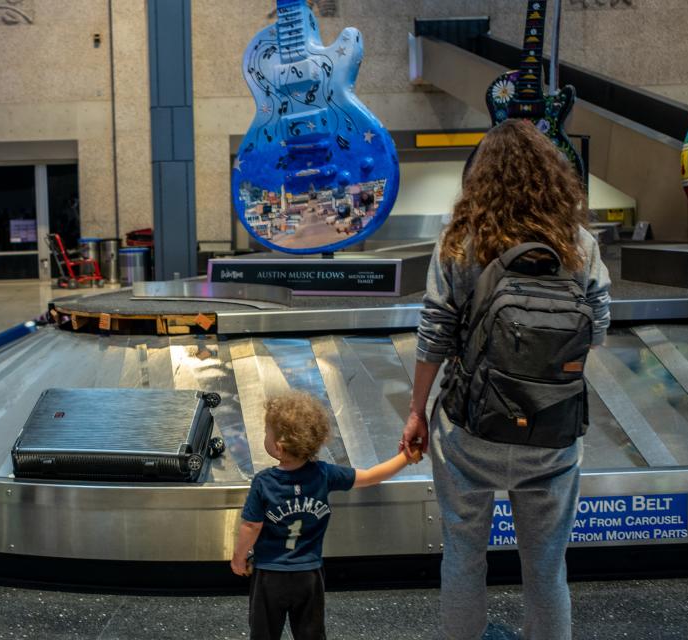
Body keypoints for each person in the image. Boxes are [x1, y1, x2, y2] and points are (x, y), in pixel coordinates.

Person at [401, 119, 611, 640]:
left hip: (471, 430)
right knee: (546, 567)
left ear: (479, 179)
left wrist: (415, 411)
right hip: (553, 432)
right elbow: (598, 329)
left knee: (465, 555)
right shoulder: (578, 244)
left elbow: (435, 333)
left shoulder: (460, 242)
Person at [232, 391, 422, 640]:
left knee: (264, 633)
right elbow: (371, 476)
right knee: (311, 633)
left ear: (278, 447)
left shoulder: (264, 482)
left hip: (270, 575)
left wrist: (238, 558)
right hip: (309, 575)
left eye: (267, 431)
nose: (264, 436)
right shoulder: (323, 474)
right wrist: (405, 457)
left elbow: (251, 526)